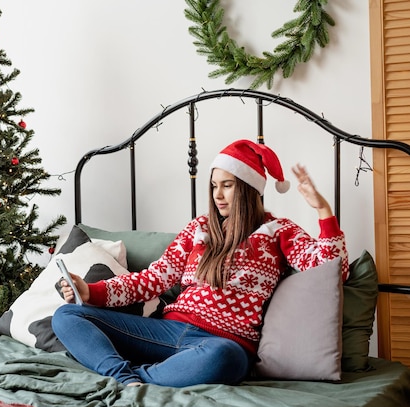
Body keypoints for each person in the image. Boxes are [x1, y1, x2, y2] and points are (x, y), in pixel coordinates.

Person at [51, 139, 349, 388]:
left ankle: (138, 379)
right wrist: (92, 292)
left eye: (228, 185)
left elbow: (331, 271)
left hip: (223, 342)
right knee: (67, 316)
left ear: (249, 187)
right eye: (214, 185)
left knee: (223, 357)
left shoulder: (278, 231)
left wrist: (323, 211)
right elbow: (154, 278)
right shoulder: (200, 228)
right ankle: (124, 377)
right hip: (166, 334)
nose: (217, 195)